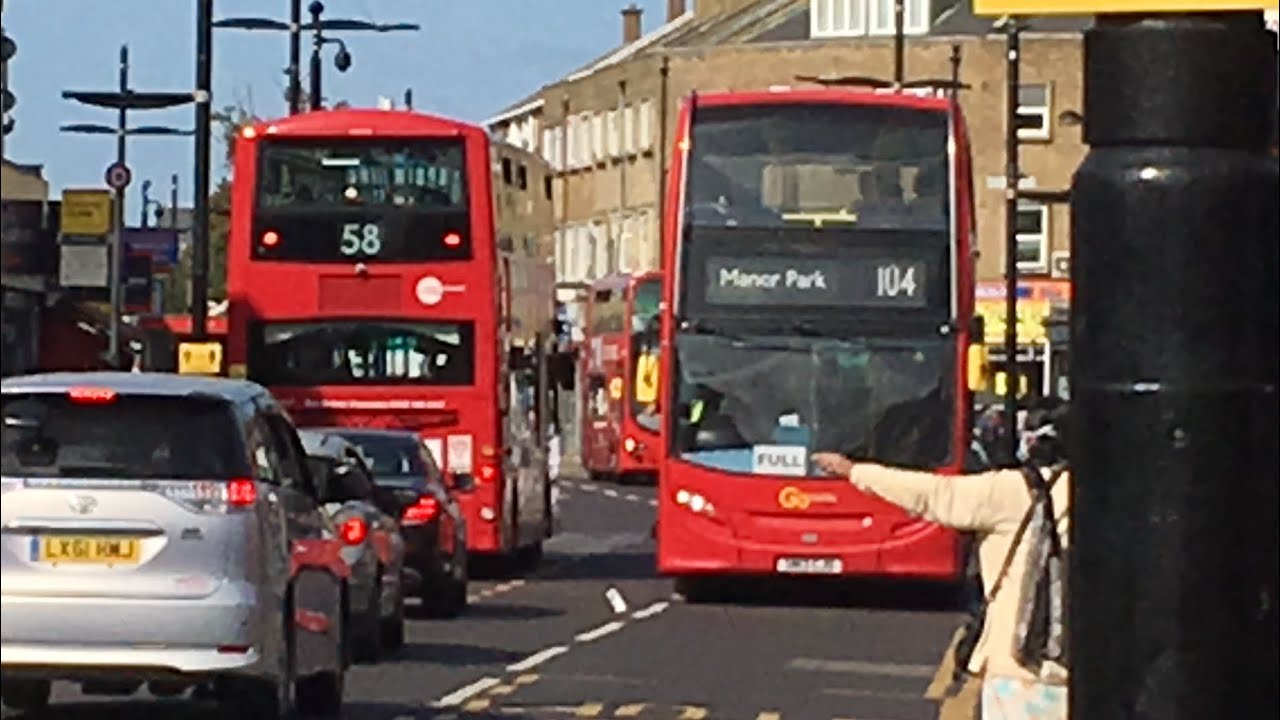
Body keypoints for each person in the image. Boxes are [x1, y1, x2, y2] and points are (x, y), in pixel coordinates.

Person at [812, 397, 1071, 720]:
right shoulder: (1107, 494)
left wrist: (853, 471)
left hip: (1018, 663)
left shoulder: (1010, 491)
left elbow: (932, 494)